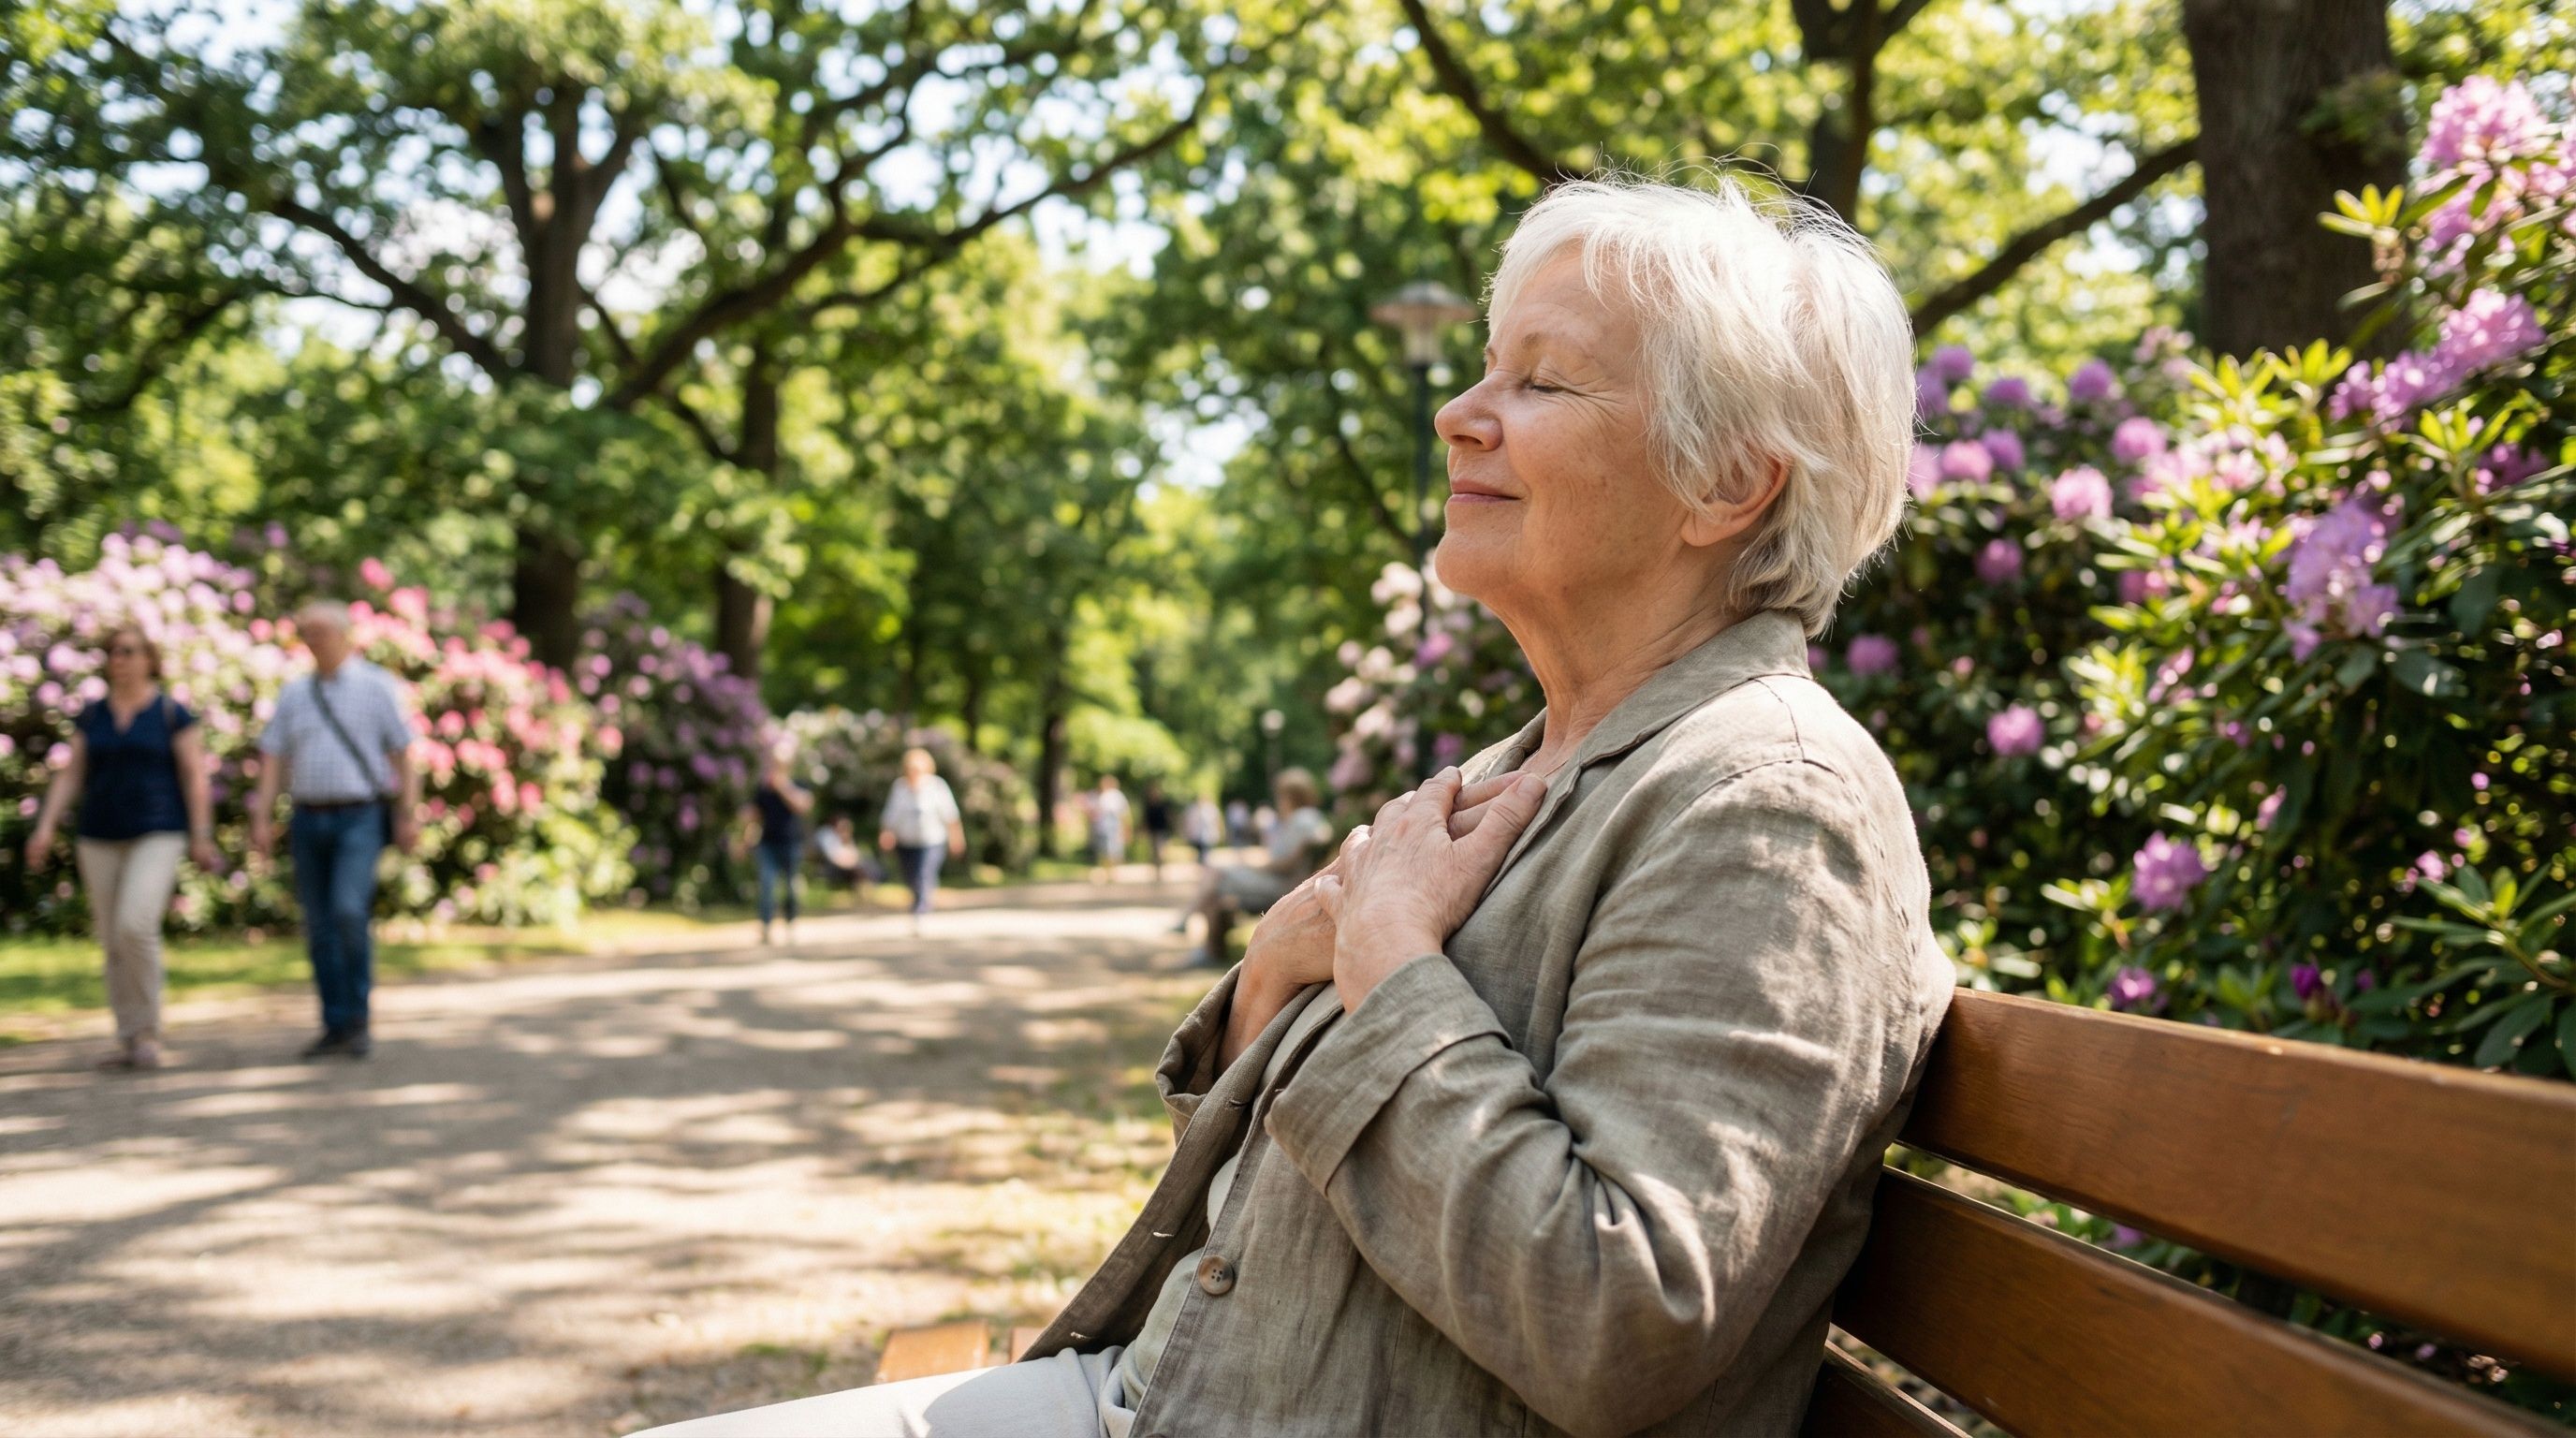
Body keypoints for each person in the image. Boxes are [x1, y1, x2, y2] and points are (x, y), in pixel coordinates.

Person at [648, 175, 1950, 1438]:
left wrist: (1388, 962)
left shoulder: (1770, 802)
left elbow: (1608, 1319)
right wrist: (1275, 980)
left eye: (1540, 381)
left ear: (1728, 485)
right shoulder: (1552, 758)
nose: (1458, 411)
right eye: (1486, 366)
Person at [22, 625, 219, 1071]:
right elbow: (72, 773)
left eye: (128, 651)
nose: (119, 659)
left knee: (135, 925)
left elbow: (193, 775)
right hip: (98, 833)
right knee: (112, 939)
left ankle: (148, 1030)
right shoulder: (93, 716)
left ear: (150, 658)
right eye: (111, 652)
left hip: (158, 830)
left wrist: (201, 834)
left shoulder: (171, 713)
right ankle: (129, 1036)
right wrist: (46, 826)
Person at [247, 600, 419, 1062]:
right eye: (306, 631)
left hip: (359, 816)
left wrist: (407, 812)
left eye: (320, 630)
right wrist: (262, 817)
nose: (312, 639)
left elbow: (404, 753)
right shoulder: (294, 694)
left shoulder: (375, 686)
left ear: (345, 634)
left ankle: (358, 1017)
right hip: (307, 817)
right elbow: (273, 759)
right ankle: (334, 1022)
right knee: (319, 927)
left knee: (347, 912)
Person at [1174, 769, 1333, 965]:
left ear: (1290, 796)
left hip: (1281, 885)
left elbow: (1288, 862)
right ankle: (1208, 947)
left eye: (1281, 796)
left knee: (1216, 873)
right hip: (1281, 881)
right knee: (1217, 887)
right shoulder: (1305, 817)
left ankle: (1189, 923)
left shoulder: (1303, 818)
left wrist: (1258, 866)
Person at [879, 746, 963, 931]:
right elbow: (891, 815)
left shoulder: (936, 786)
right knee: (911, 877)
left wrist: (956, 839)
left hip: (931, 842)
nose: (913, 772)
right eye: (910, 768)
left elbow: (950, 816)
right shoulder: (900, 787)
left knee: (924, 875)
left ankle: (920, 911)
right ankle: (919, 902)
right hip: (906, 842)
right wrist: (887, 833)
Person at [743, 748, 814, 946]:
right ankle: (765, 926)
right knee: (767, 884)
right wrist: (744, 840)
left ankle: (791, 923)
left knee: (791, 886)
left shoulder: (799, 784)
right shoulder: (764, 788)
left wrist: (783, 787)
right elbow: (754, 817)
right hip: (768, 844)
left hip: (791, 843)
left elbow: (803, 806)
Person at [813, 814, 879, 896]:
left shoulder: (845, 837)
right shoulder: (827, 835)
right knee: (860, 867)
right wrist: (851, 863)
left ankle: (865, 887)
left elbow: (854, 855)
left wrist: (846, 842)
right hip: (831, 868)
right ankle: (863, 887)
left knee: (869, 863)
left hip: (847, 866)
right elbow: (834, 858)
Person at [1086, 774, 1130, 883]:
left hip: (1112, 826)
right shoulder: (1102, 796)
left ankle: (1113, 872)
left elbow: (1122, 813)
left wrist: (1125, 828)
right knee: (1105, 850)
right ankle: (1108, 872)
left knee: (1113, 850)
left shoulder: (1116, 796)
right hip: (1102, 827)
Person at [1138, 782, 1175, 883]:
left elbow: (1169, 816)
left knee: (1161, 852)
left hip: (1162, 830)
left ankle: (1161, 870)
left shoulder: (1164, 804)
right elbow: (1145, 819)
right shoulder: (1148, 805)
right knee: (1153, 852)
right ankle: (1156, 871)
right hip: (1153, 831)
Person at [1180, 792, 1222, 868]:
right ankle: (1202, 864)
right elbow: (1187, 821)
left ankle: (1204, 864)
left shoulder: (1211, 809)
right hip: (1197, 834)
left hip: (1208, 834)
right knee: (1200, 850)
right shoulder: (1193, 809)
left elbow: (1216, 820)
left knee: (1205, 850)